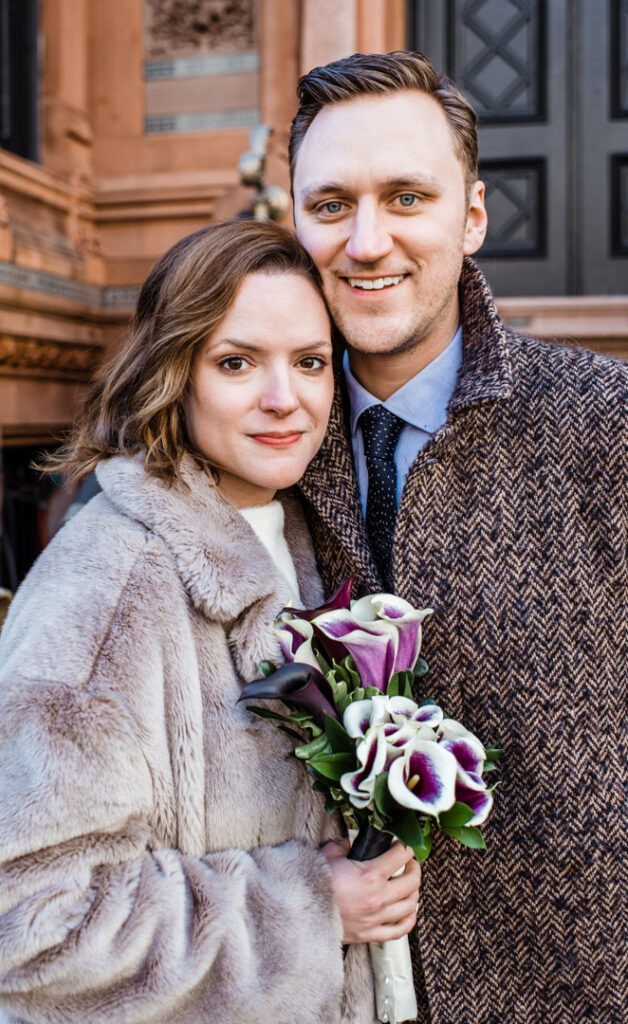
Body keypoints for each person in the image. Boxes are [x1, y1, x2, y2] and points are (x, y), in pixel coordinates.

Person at [0, 220, 421, 1024]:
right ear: (175, 374)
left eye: (309, 362)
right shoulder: (110, 585)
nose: (285, 398)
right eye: (237, 362)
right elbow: (7, 922)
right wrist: (306, 913)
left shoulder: (290, 532)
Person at [288, 51, 628, 1024]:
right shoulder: (244, 448)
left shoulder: (608, 428)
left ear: (472, 215)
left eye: (406, 196)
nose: (365, 240)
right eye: (330, 204)